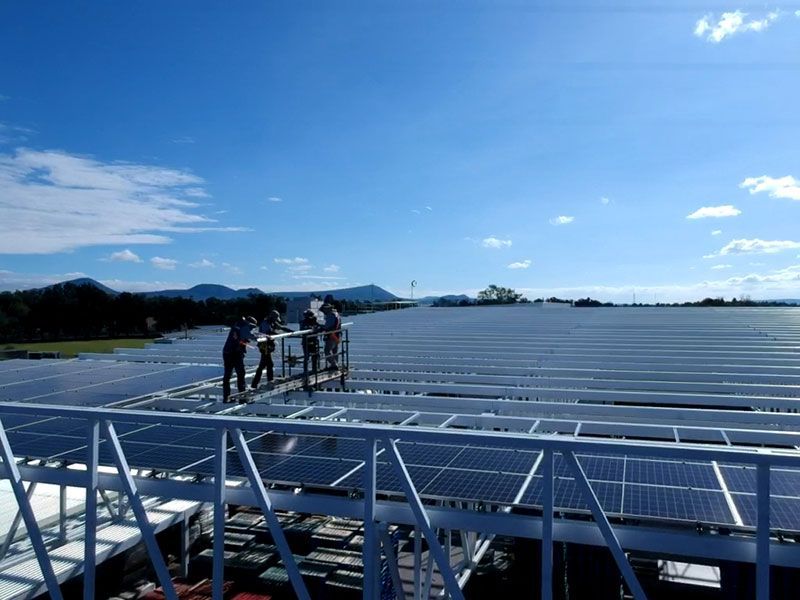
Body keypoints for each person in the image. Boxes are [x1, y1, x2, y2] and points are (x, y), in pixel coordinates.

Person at [251, 309, 293, 388]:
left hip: (268, 346)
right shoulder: (265, 323)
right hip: (264, 346)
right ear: (272, 317)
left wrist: (291, 332)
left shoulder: (272, 322)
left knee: (264, 365)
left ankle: (258, 383)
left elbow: (281, 327)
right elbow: (269, 333)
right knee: (268, 364)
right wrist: (279, 334)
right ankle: (267, 382)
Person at [222, 316, 257, 402]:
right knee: (241, 374)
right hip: (235, 353)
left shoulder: (238, 325)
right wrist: (261, 337)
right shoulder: (244, 326)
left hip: (227, 352)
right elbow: (249, 335)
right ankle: (242, 398)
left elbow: (242, 337)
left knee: (227, 376)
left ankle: (226, 397)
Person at [300, 308, 322, 374]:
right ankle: (305, 371)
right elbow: (303, 329)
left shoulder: (314, 321)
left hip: (313, 341)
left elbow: (319, 326)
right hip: (306, 341)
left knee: (314, 356)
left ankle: (314, 369)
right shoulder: (303, 322)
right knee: (306, 357)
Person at [321, 303, 341, 370]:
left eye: (324, 310)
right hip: (337, 335)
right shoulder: (336, 314)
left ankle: (334, 364)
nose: (323, 311)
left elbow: (327, 327)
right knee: (334, 351)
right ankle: (335, 364)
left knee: (327, 351)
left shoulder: (330, 315)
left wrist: (320, 327)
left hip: (331, 335)